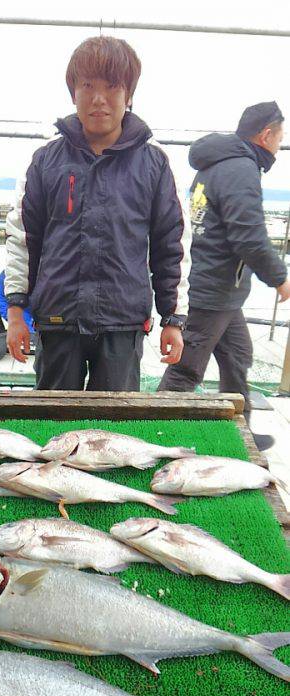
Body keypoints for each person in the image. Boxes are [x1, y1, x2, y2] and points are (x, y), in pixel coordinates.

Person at [5, 36, 190, 390]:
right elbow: (24, 239)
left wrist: (173, 318)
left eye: (112, 86)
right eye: (87, 85)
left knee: (114, 428)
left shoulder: (154, 164)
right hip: (57, 319)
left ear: (129, 94)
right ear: (73, 92)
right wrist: (16, 312)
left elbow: (173, 246)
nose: (99, 98)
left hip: (123, 323)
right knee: (52, 426)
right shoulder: (46, 160)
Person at [158, 101, 290, 449]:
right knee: (185, 371)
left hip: (221, 290)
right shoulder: (240, 169)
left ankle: (239, 434)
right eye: (280, 137)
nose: (280, 144)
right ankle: (152, 435)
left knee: (237, 356)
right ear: (266, 135)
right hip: (211, 290)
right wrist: (279, 277)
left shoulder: (215, 166)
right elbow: (248, 234)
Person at [0, 269, 35, 335]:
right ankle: (0, 334)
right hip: (15, 311)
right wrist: (12, 319)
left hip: (34, 314)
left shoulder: (39, 273)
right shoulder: (6, 273)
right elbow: (0, 299)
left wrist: (29, 328)